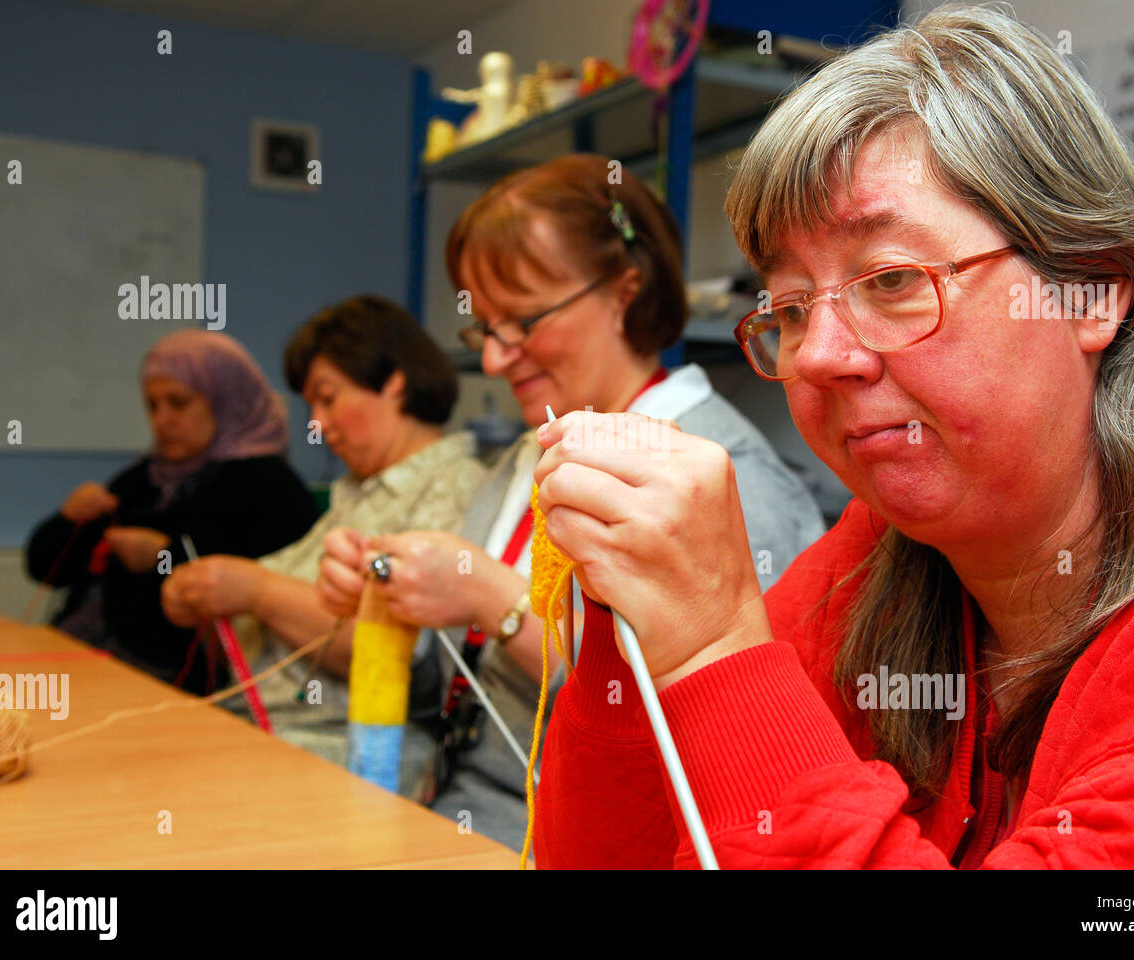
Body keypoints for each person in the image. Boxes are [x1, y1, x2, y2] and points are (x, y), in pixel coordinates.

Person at [529, 5, 1134, 868]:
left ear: (1093, 290)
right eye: (792, 308)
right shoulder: (872, 560)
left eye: (891, 279)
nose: (820, 357)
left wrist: (714, 650)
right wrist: (637, 626)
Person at [318, 155, 825, 847]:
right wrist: (389, 596)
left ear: (625, 291)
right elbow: (457, 691)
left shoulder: (720, 481)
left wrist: (494, 601)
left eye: (522, 322)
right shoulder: (519, 462)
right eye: (483, 329)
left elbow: (719, 746)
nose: (494, 361)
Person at [161, 296, 486, 766]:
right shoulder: (359, 494)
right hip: (274, 734)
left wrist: (257, 592)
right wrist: (207, 594)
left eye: (328, 398)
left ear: (394, 381)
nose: (316, 423)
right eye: (311, 404)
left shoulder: (456, 487)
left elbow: (410, 661)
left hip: (345, 754)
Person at [26, 329, 319, 696]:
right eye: (152, 406)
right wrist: (68, 520)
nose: (162, 420)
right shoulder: (142, 479)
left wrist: (163, 556)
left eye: (178, 403)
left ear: (225, 400)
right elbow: (44, 569)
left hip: (180, 684)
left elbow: (267, 597)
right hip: (89, 657)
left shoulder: (269, 487)